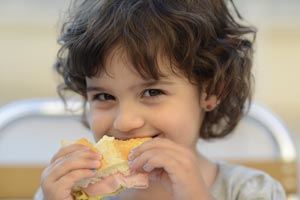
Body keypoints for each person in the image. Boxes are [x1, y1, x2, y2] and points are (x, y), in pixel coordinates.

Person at [35, 0, 286, 199]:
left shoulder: (252, 191)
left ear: (210, 91)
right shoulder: (72, 193)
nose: (125, 122)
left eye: (152, 92)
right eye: (104, 96)